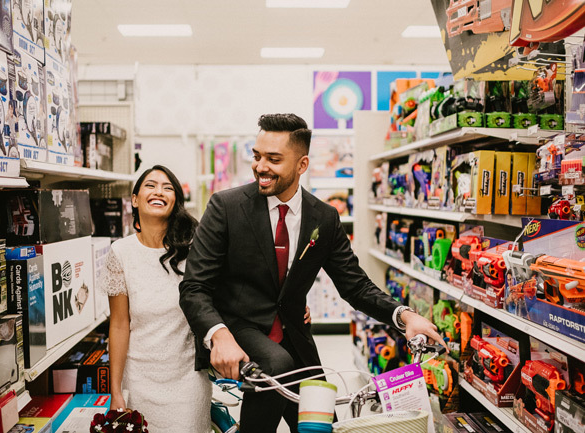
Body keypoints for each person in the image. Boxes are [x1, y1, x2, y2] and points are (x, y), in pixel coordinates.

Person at [179, 113, 447, 433]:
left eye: (274, 159)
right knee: (276, 365)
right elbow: (194, 287)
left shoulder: (324, 217)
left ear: (302, 165)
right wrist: (218, 336)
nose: (261, 166)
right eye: (258, 156)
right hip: (239, 331)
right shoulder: (226, 206)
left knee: (321, 426)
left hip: (294, 337)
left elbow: (355, 285)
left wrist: (403, 315)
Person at [99, 165, 211, 433]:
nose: (158, 191)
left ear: (176, 202)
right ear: (135, 199)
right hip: (138, 381)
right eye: (150, 185)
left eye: (168, 187)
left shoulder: (195, 248)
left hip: (188, 382)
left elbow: (235, 289)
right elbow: (119, 324)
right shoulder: (120, 252)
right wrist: (116, 391)